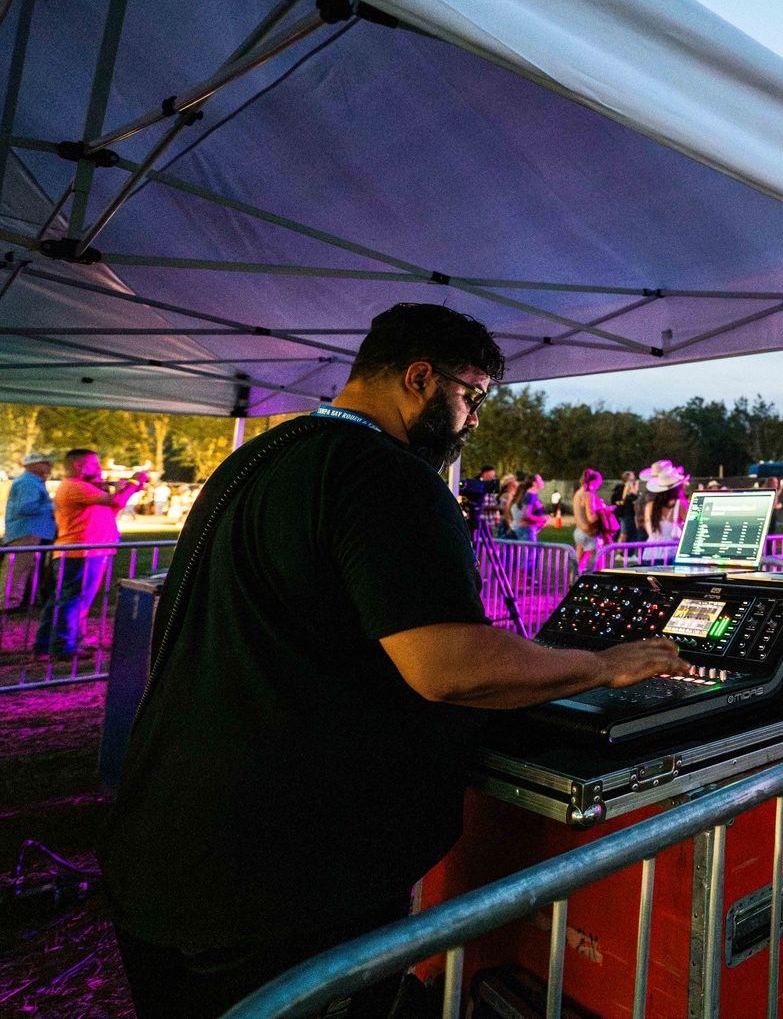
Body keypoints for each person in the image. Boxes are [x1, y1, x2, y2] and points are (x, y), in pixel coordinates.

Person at [100, 302, 687, 1017]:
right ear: (419, 377)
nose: (473, 421)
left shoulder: (258, 459)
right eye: (471, 396)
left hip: (169, 853)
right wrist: (602, 666)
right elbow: (453, 665)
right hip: (280, 887)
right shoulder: (383, 474)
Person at [33, 449, 148, 659]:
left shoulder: (83, 487)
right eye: (94, 464)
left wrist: (129, 488)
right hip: (81, 552)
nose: (99, 468)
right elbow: (117, 502)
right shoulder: (75, 486)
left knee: (65, 599)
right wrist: (133, 481)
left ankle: (47, 644)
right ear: (78, 465)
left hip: (86, 551)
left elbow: (110, 510)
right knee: (73, 600)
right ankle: (63, 648)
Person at [5, 450, 56, 610]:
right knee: (17, 570)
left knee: (23, 569)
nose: (49, 466)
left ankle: (18, 603)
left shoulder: (32, 481)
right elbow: (26, 507)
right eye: (45, 463)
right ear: (33, 465)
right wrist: (51, 505)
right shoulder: (28, 482)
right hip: (27, 532)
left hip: (30, 531)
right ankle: (8, 604)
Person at [572, 469, 614, 571]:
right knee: (598, 562)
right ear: (592, 482)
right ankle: (600, 582)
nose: (598, 486)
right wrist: (604, 511)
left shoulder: (578, 493)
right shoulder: (588, 495)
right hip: (589, 533)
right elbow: (591, 518)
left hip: (578, 532)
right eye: (598, 483)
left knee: (579, 560)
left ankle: (572, 581)